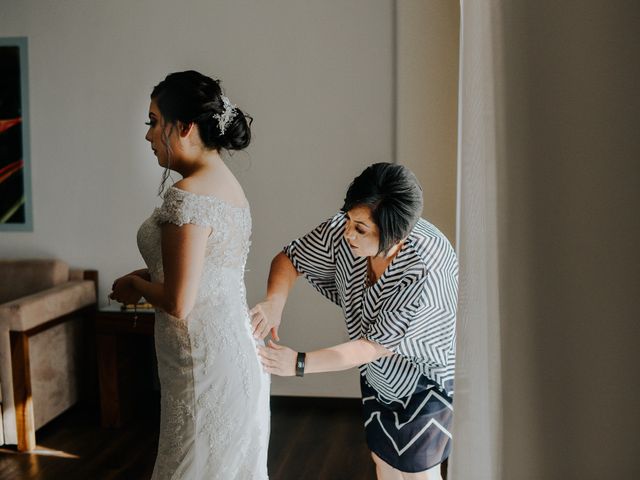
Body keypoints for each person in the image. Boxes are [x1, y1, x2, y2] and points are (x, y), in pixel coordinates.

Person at [110, 70, 269, 480]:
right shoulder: (229, 186)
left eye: (153, 121)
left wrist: (134, 286)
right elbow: (210, 269)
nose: (148, 135)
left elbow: (179, 303)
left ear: (183, 126)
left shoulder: (188, 196)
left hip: (204, 364)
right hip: (233, 355)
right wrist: (150, 272)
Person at [252, 163, 457, 480]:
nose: (348, 232)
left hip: (426, 379)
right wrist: (274, 303)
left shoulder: (423, 270)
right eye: (349, 219)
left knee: (419, 474)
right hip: (379, 377)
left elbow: (368, 348)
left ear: (396, 236)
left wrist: (299, 363)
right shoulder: (347, 229)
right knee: (384, 463)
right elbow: (290, 259)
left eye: (361, 229)